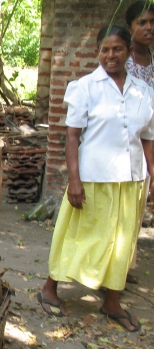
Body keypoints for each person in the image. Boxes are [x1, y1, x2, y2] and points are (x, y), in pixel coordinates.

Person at [38, 25, 154, 332]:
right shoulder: (85, 87)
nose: (110, 55)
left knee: (122, 243)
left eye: (117, 49)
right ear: (96, 52)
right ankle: (50, 288)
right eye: (104, 49)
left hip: (131, 181)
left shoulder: (145, 93)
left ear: (129, 52)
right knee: (78, 236)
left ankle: (112, 301)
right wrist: (74, 181)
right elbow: (72, 137)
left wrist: (152, 179)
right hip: (92, 178)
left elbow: (148, 140)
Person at [125, 0, 154, 285]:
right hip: (125, 142)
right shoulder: (123, 61)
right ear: (130, 27)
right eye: (142, 23)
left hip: (149, 141)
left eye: (152, 23)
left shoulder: (153, 61)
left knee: (137, 205)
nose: (149, 28)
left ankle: (124, 263)